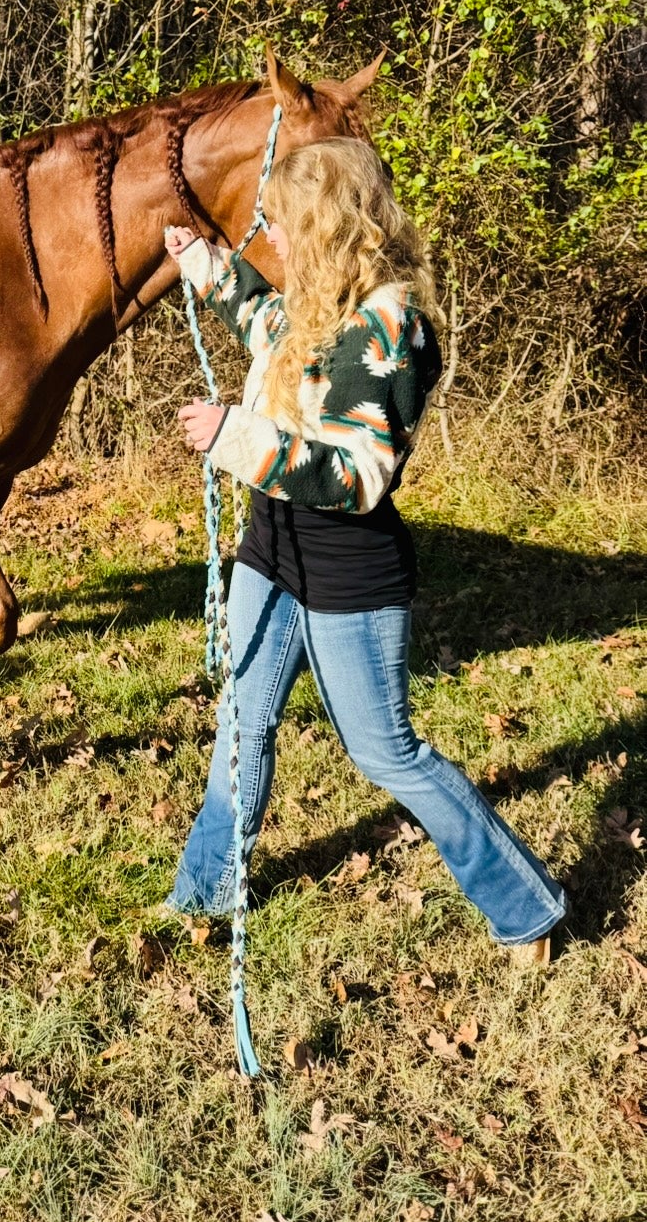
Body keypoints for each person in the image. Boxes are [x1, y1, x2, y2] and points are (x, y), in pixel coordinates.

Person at [163, 136, 565, 965]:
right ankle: (205, 892)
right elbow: (273, 328)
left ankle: (528, 910)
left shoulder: (393, 327)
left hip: (350, 574)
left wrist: (237, 437)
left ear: (329, 224)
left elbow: (356, 478)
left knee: (387, 755)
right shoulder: (323, 298)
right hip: (271, 550)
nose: (268, 240)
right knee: (243, 722)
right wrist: (209, 267)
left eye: (280, 225)